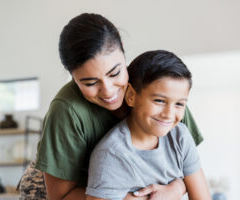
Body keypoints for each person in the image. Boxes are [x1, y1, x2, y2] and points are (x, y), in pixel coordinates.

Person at [18, 13, 203, 200]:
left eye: (115, 73)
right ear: (73, 78)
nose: (108, 91)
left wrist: (176, 188)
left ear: (124, 55)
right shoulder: (67, 110)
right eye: (90, 83)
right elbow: (60, 196)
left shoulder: (160, 95)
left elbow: (187, 165)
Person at [86, 50, 211, 200]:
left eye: (179, 104)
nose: (169, 114)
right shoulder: (111, 155)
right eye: (159, 101)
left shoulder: (180, 136)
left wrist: (178, 187)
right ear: (131, 96)